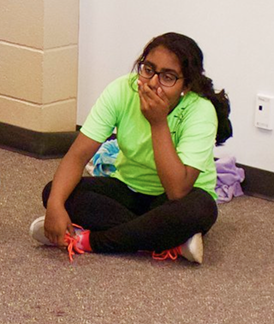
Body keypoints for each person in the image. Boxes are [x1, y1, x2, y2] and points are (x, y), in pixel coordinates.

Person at [33, 32, 231, 264]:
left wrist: (158, 122)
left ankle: (87, 240)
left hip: (176, 200)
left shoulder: (200, 110)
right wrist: (56, 205)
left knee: (199, 210)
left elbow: (177, 190)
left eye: (168, 77)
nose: (153, 82)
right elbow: (77, 156)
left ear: (185, 85)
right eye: (148, 69)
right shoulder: (120, 91)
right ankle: (170, 240)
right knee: (54, 191)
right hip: (128, 189)